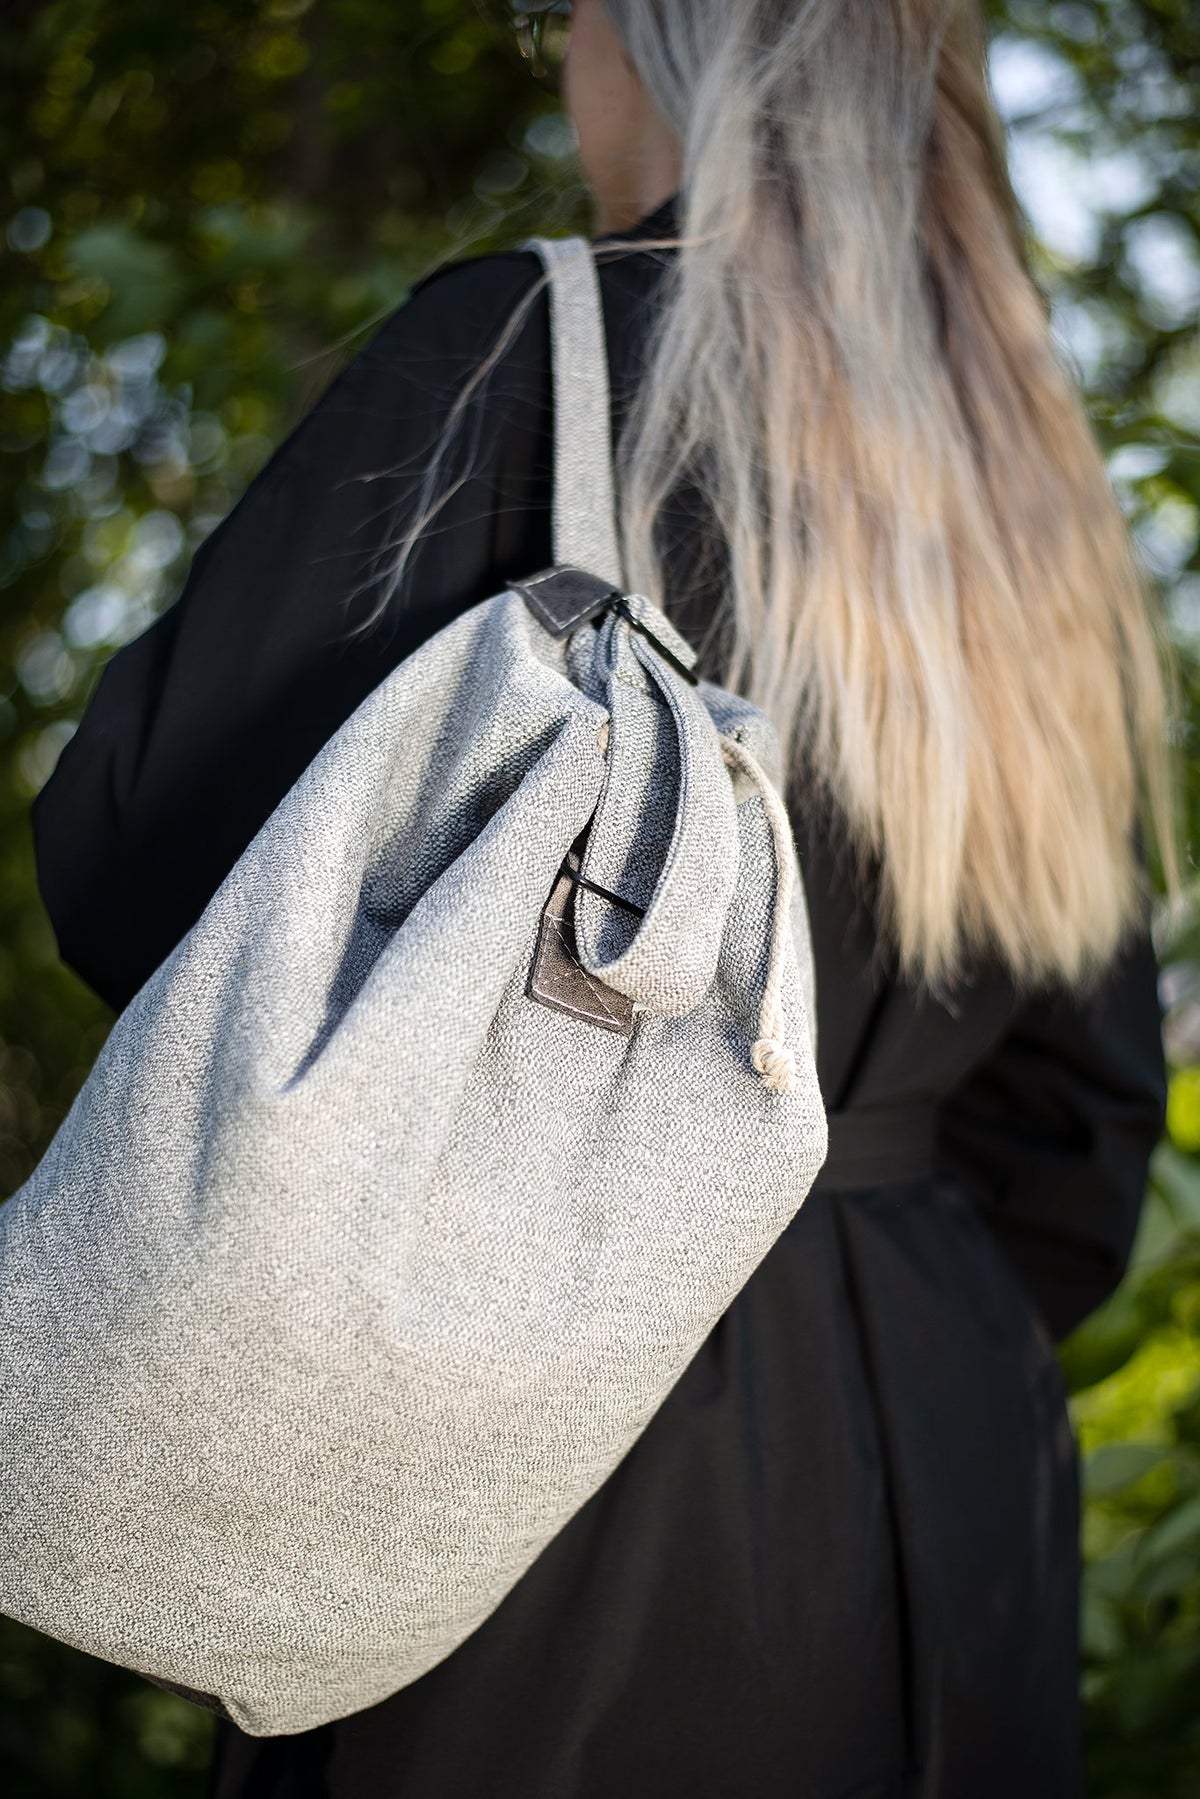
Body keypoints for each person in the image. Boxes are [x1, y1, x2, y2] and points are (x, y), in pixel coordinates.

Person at [30, 2, 1173, 1795]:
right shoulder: (1017, 470)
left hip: (549, 1414)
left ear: (658, 35)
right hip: (946, 1465)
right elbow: (1079, 1117)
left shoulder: (521, 350)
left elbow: (132, 853)